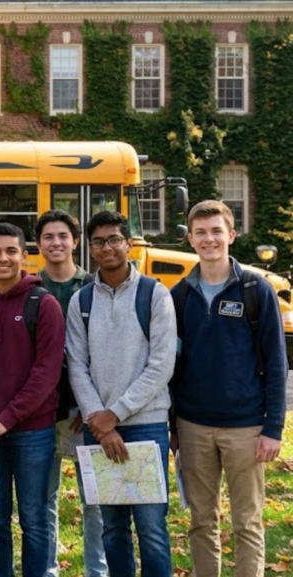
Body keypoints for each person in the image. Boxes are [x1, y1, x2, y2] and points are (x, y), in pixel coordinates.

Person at [171, 200, 287, 577]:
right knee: (202, 521)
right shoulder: (179, 295)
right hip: (193, 426)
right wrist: (173, 427)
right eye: (201, 232)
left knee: (247, 523)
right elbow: (171, 367)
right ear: (190, 239)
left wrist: (273, 429)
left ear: (231, 235)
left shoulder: (256, 290)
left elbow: (275, 363)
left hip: (247, 428)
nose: (209, 239)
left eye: (217, 231)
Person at [66, 211, 176, 577]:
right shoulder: (81, 301)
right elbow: (77, 365)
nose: (107, 247)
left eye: (114, 239)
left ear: (128, 244)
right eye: (99, 242)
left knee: (152, 531)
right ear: (91, 250)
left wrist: (115, 415)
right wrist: (101, 421)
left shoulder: (154, 294)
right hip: (99, 430)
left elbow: (161, 365)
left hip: (146, 428)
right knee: (112, 529)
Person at [0, 222, 64, 577]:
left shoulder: (44, 304)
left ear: (24, 255)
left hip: (32, 430)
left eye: (11, 251)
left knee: (34, 518)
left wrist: (7, 417)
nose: (3, 258)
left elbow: (46, 374)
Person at [33, 211, 106, 577]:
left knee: (95, 498)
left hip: (87, 410)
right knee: (43, 498)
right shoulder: (30, 289)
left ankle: (98, 570)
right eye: (48, 236)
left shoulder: (94, 287)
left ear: (75, 242)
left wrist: (92, 406)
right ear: (39, 244)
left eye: (63, 236)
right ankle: (47, 569)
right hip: (43, 410)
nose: (56, 243)